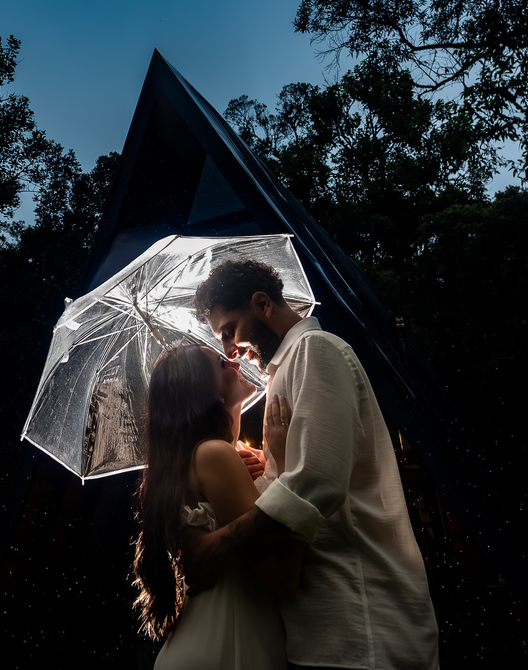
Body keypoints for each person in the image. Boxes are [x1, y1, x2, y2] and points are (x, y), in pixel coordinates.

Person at [186, 258, 440, 670]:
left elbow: (318, 481)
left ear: (262, 303)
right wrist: (269, 467)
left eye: (230, 330)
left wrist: (219, 543)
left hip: (361, 616)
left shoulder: (315, 351)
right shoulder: (284, 369)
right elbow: (306, 470)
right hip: (320, 624)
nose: (229, 349)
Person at [132, 344, 299, 670]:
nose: (235, 364)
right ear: (210, 396)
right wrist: (287, 465)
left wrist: (267, 468)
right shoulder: (214, 454)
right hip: (229, 647)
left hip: (204, 642)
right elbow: (284, 578)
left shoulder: (207, 457)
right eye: (222, 364)